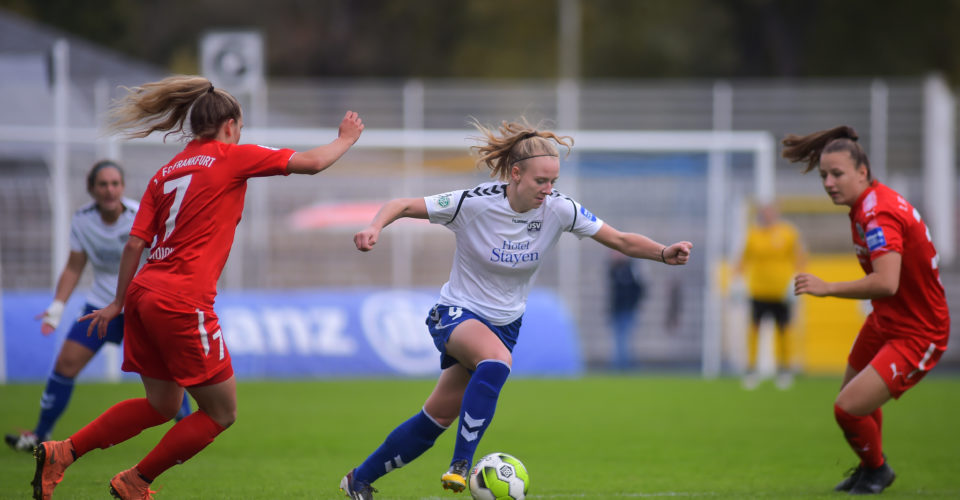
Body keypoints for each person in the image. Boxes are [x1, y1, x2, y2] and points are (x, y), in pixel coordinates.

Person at [29, 75, 364, 500]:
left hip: (142, 294)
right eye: (239, 127)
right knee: (221, 413)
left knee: (162, 405)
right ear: (228, 125)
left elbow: (135, 242)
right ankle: (135, 481)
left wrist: (117, 303)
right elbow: (314, 162)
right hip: (182, 300)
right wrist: (346, 138)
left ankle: (62, 451)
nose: (240, 134)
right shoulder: (231, 156)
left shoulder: (164, 172)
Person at [340, 119, 693, 499]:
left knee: (438, 417)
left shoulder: (560, 209)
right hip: (456, 313)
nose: (549, 189)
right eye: (541, 181)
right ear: (516, 173)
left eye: (553, 181)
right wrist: (375, 227)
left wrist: (661, 252)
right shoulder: (473, 203)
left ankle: (358, 479)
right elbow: (403, 204)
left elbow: (620, 240)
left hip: (505, 324)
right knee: (496, 363)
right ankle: (461, 465)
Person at [783, 125, 949, 495]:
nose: (828, 183)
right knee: (853, 402)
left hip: (918, 331)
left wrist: (828, 288)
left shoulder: (878, 214)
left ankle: (877, 471)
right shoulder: (869, 205)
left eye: (837, 174)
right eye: (824, 175)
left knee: (847, 408)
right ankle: (869, 466)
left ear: (862, 172)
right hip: (888, 320)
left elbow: (886, 282)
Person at [5, 161, 192, 454]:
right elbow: (74, 266)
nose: (110, 190)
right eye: (103, 184)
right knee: (65, 364)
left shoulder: (138, 215)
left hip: (139, 309)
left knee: (167, 372)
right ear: (91, 189)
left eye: (115, 183)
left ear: (123, 187)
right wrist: (57, 307)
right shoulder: (82, 219)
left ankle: (188, 429)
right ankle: (39, 435)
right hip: (100, 307)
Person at [735, 202, 806, 389]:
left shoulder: (788, 233)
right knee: (754, 329)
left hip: (781, 292)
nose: (767, 216)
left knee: (784, 330)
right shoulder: (753, 234)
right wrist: (738, 281)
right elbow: (743, 259)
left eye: (770, 212)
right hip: (758, 290)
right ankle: (751, 369)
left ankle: (785, 369)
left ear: (776, 213)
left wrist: (796, 281)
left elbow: (800, 258)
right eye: (764, 213)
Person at [607, 251, 647, 371]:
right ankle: (620, 365)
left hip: (628, 308)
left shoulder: (632, 269)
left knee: (624, 337)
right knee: (618, 338)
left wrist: (635, 304)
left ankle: (623, 365)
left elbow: (639, 287)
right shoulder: (614, 269)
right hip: (616, 309)